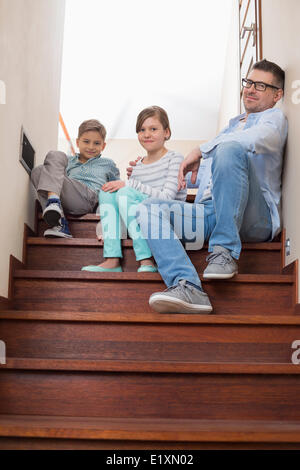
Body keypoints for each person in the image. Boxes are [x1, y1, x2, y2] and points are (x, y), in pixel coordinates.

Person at [135, 59, 288, 314]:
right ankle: (187, 285)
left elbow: (260, 139)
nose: (249, 89)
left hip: (253, 216)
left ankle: (224, 251)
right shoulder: (230, 126)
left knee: (228, 147)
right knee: (147, 208)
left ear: (277, 95)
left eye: (260, 85)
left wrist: (202, 149)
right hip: (210, 213)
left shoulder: (273, 119)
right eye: (248, 82)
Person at [81, 106, 187, 273]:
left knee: (124, 190)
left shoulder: (175, 158)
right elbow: (129, 206)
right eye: (142, 130)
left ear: (166, 132)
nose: (147, 134)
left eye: (153, 129)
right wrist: (108, 228)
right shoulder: (137, 166)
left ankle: (146, 260)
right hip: (142, 221)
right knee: (107, 191)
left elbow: (167, 198)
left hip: (168, 218)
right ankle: (112, 260)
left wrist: (129, 184)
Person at [31, 119, 120, 238]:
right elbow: (53, 178)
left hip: (90, 198)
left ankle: (53, 203)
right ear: (78, 142)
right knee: (38, 170)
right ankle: (60, 221)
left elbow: (116, 188)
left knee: (45, 170)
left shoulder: (108, 164)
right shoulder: (68, 161)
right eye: (86, 141)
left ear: (103, 146)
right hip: (68, 199)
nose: (91, 147)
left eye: (97, 143)